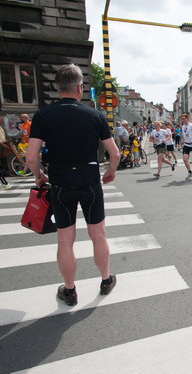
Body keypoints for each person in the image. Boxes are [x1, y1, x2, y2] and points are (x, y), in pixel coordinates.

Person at [26, 63, 120, 306]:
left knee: (65, 240)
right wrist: (109, 172)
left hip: (60, 182)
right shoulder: (95, 115)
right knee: (98, 235)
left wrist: (39, 177)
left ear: (58, 88)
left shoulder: (43, 115)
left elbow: (31, 157)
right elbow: (115, 153)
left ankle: (69, 291)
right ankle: (106, 279)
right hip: (89, 180)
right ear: (80, 87)